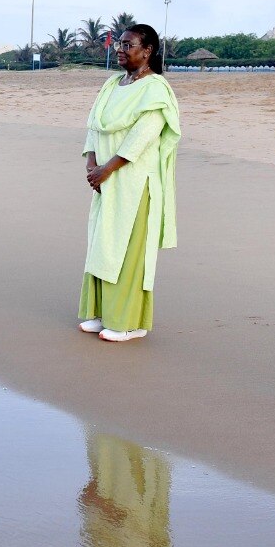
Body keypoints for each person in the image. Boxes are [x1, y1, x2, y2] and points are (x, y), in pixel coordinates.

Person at [79, 24, 181, 342]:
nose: (120, 50)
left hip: (135, 182)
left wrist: (109, 169)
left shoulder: (156, 89)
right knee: (102, 242)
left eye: (128, 45)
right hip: (105, 180)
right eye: (119, 45)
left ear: (147, 50)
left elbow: (143, 136)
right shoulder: (112, 84)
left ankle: (128, 323)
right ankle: (100, 312)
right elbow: (95, 125)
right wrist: (92, 164)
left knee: (128, 248)